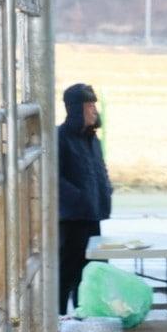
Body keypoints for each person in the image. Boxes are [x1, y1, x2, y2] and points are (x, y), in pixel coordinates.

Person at [57, 83, 112, 314]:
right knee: (68, 270)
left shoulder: (92, 139)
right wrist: (78, 198)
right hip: (71, 219)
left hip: (92, 214)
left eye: (94, 106)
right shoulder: (59, 138)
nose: (93, 111)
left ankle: (85, 313)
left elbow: (100, 169)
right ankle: (58, 317)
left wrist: (106, 188)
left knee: (92, 269)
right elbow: (54, 178)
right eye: (89, 106)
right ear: (75, 109)